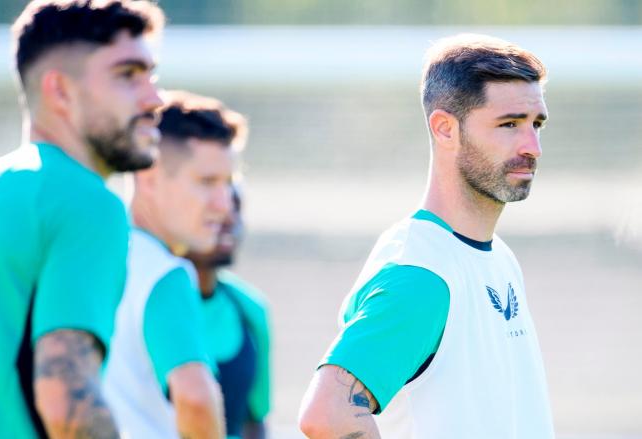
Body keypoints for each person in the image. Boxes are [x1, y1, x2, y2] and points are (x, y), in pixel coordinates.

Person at [298, 33, 555, 439]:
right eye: (509, 124)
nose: (533, 146)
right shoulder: (420, 273)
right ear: (445, 128)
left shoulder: (498, 257)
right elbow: (328, 415)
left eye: (535, 124)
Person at [0, 1, 163, 437]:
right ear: (60, 91)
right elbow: (68, 406)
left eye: (151, 76)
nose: (154, 98)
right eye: (127, 75)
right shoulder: (86, 202)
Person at [102, 91, 245, 439]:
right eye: (207, 182)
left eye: (227, 184)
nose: (224, 204)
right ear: (148, 179)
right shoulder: (165, 274)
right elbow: (195, 396)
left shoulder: (96, 255)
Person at [186, 185, 272, 439]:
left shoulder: (250, 309)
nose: (228, 218)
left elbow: (255, 422)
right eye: (214, 207)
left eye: (235, 206)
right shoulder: (139, 299)